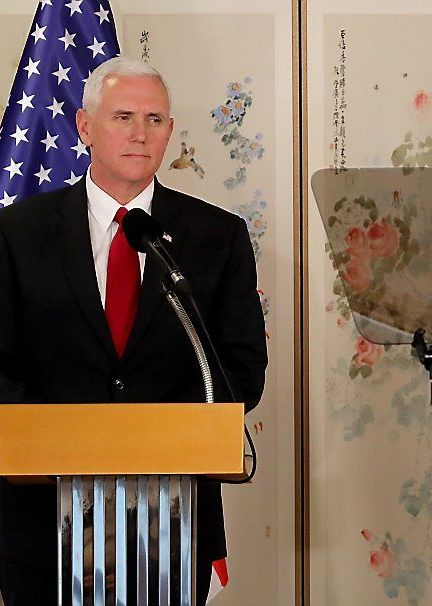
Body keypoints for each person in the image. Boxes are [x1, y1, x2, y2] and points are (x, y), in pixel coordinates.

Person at [0, 57, 267, 603]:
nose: (140, 133)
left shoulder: (218, 236)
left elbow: (241, 370)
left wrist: (162, 436)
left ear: (170, 131)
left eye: (155, 119)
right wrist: (65, 443)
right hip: (43, 519)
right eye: (123, 116)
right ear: (84, 126)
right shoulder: (16, 233)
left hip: (174, 515)